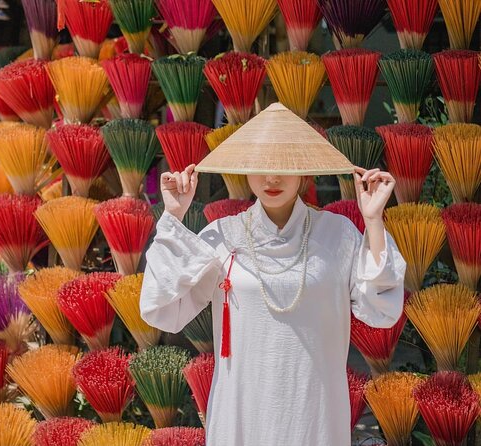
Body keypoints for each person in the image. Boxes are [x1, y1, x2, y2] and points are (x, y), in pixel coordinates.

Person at [139, 104, 407, 445]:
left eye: (284, 166)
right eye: (261, 166)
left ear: (304, 170)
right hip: (242, 410)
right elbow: (163, 308)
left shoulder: (337, 235)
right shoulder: (224, 236)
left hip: (315, 410)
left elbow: (382, 311)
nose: (272, 178)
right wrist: (174, 216)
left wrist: (373, 220)